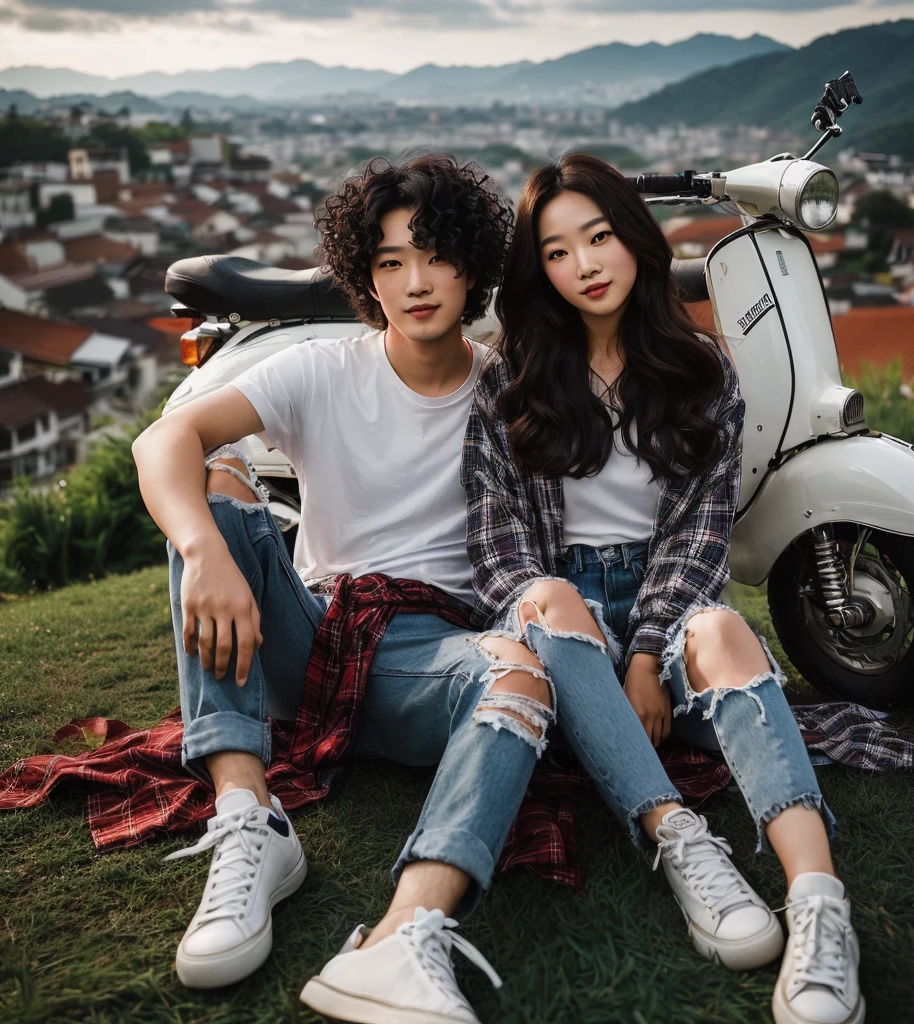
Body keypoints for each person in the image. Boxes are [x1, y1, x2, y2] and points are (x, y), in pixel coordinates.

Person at [134, 155, 555, 1021]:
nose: (414, 281)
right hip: (312, 637)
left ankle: (407, 934)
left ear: (472, 265)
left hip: (430, 660)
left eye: (434, 254)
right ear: (366, 277)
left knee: (518, 675)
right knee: (219, 491)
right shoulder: (325, 369)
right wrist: (201, 548)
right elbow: (163, 439)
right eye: (389, 262)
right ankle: (251, 821)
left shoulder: (507, 388)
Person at [461, 153, 865, 1024]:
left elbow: (696, 536)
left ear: (635, 239)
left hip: (666, 600)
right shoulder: (509, 377)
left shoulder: (701, 368)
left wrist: (646, 653)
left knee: (724, 634)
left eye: (599, 237)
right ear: (540, 270)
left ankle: (821, 904)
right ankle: (681, 840)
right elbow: (500, 554)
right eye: (558, 252)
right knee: (549, 603)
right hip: (559, 613)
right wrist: (587, 653)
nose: (585, 266)